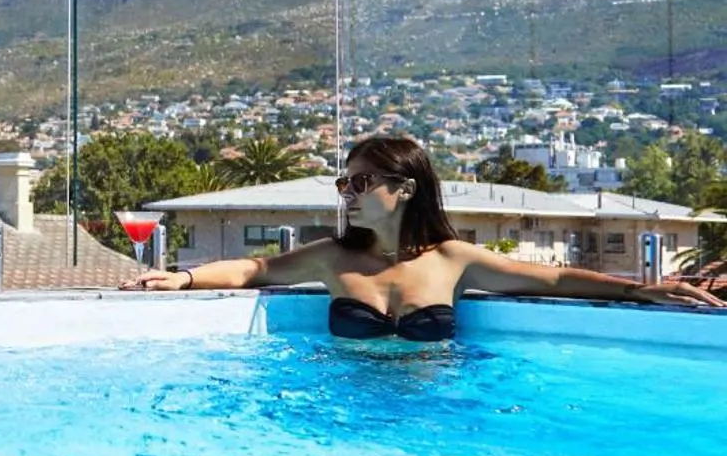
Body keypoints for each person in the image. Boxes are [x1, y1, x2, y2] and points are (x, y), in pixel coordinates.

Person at [120, 133, 724, 339]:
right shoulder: (333, 258)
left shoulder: (453, 260)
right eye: (344, 183)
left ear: (404, 188)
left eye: (360, 182)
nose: (348, 193)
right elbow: (254, 270)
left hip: (436, 410)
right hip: (344, 407)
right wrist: (184, 277)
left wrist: (639, 290)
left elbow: (555, 278)